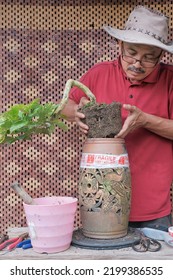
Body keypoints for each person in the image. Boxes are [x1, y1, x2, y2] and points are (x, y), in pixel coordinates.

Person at [61, 6, 173, 231]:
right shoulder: (100, 73)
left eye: (149, 58)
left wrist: (145, 120)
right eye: (131, 53)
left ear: (162, 56)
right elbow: (64, 107)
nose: (137, 64)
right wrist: (76, 112)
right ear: (119, 45)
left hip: (153, 209)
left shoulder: (170, 79)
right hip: (102, 201)